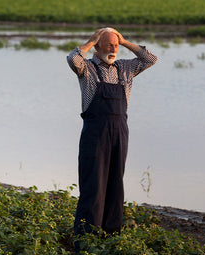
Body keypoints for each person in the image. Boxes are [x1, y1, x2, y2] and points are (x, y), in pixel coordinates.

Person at [66, 27, 157, 250]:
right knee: (93, 187)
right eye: (108, 44)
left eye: (115, 45)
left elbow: (151, 59)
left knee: (115, 186)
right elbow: (73, 58)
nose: (113, 48)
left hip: (120, 133)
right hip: (95, 136)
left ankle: (110, 239)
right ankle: (86, 241)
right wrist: (91, 40)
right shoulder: (87, 69)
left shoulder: (125, 67)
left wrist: (124, 41)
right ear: (97, 47)